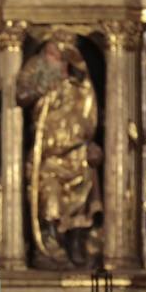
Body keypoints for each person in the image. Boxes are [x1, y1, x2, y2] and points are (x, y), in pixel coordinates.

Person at [17, 34, 102, 265]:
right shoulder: (41, 82)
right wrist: (43, 87)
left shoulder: (79, 87)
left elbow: (89, 114)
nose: (58, 59)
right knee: (49, 198)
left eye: (63, 55)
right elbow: (21, 96)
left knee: (80, 199)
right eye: (52, 54)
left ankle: (76, 242)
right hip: (48, 154)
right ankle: (50, 244)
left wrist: (87, 140)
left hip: (75, 152)